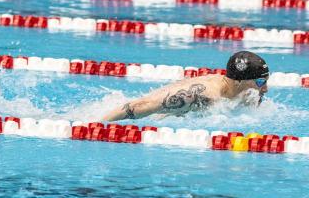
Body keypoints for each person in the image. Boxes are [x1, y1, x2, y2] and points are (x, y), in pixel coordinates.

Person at [102, 51, 269, 121]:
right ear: (240, 80)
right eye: (260, 82)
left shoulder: (242, 93)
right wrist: (98, 124)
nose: (265, 89)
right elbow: (143, 105)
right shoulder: (204, 93)